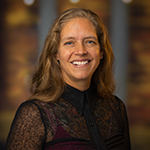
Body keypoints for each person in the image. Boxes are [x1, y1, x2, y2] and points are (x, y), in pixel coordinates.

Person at [6, 8, 131, 150]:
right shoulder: (34, 114)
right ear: (55, 54)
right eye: (70, 43)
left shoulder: (116, 108)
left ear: (101, 52)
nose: (81, 51)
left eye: (89, 41)